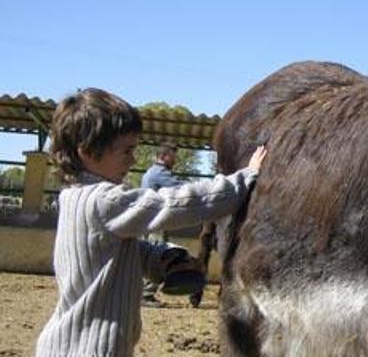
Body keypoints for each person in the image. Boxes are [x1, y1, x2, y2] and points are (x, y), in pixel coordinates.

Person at [35, 88, 267, 357]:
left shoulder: (74, 198)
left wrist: (162, 258)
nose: (133, 159)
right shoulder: (103, 201)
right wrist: (242, 181)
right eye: (126, 151)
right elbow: (172, 203)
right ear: (88, 151)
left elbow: (114, 250)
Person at [140, 143, 183, 308]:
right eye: (173, 156)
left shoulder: (150, 172)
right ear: (165, 156)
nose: (175, 160)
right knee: (158, 255)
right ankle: (146, 294)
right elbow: (181, 188)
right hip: (155, 220)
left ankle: (143, 292)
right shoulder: (160, 173)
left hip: (147, 220)